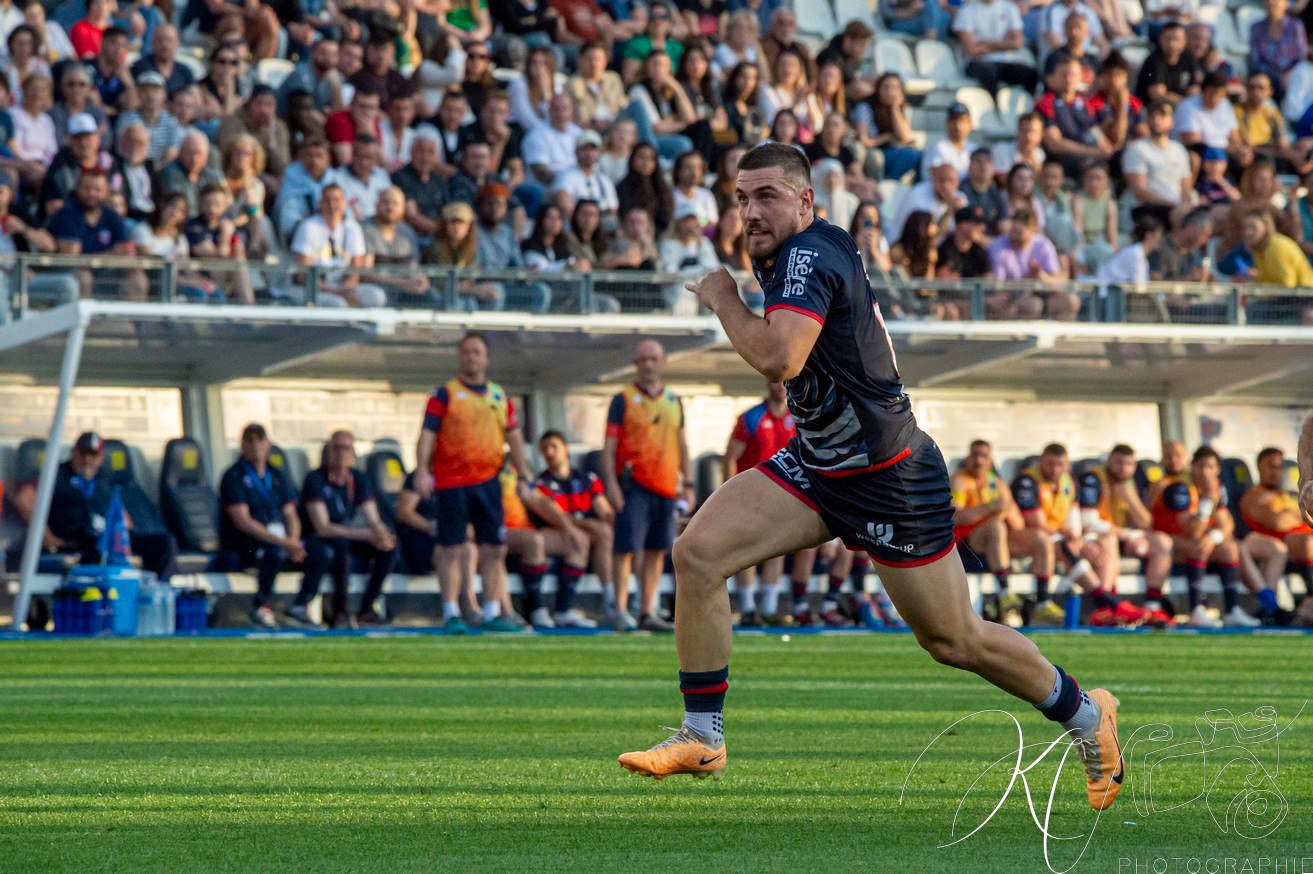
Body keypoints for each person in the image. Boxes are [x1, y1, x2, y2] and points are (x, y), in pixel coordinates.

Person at [620, 144, 1125, 814]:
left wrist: (722, 299)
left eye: (766, 195)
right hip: (822, 463)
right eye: (741, 198)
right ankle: (702, 735)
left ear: (806, 201)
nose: (750, 212)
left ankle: (1088, 716)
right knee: (698, 553)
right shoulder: (787, 248)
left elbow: (779, 357)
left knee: (954, 640)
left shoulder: (806, 254)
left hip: (889, 475)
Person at [414, 332, 536, 634]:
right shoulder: (444, 394)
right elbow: (427, 435)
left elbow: (514, 437)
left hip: (489, 481)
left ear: (486, 358)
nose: (471, 357)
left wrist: (523, 475)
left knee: (494, 548)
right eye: (466, 352)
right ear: (459, 356)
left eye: (477, 352)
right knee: (451, 548)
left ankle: (493, 612)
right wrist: (421, 470)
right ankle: (451, 613)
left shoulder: (499, 396)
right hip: (452, 483)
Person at [602, 339, 694, 632]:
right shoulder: (623, 399)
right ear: (635, 364)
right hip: (633, 486)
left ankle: (646, 610)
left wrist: (688, 483)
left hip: (665, 486)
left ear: (663, 362)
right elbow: (608, 448)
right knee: (625, 548)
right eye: (643, 360)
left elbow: (682, 445)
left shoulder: (674, 400)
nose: (648, 365)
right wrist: (611, 486)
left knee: (657, 549)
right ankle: (619, 609)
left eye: (653, 359)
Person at [1011, 443, 1147, 628]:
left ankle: (1105, 610)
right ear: (1041, 461)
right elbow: (1036, 523)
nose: (1055, 469)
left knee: (1101, 545)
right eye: (1050, 464)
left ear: (1067, 465)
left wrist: (1078, 539)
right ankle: (1106, 602)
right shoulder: (1027, 481)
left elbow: (1073, 518)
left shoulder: (1069, 481)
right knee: (1065, 546)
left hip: (1057, 537)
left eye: (1060, 465)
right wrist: (1077, 542)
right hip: (1030, 537)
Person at [293, 430, 397, 629]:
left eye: (346, 448)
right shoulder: (315, 479)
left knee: (389, 546)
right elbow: (323, 528)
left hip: (346, 535)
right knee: (340, 546)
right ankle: (341, 612)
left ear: (353, 453)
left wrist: (382, 534)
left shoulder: (357, 478)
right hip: (317, 538)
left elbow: (373, 517)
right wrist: (367, 534)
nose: (341, 453)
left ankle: (366, 609)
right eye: (337, 448)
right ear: (328, 451)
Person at [42, 431, 178, 582]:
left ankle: (157, 588)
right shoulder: (57, 475)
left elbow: (119, 511)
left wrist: (125, 532)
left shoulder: (104, 478)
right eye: (83, 453)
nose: (87, 460)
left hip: (108, 537)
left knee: (165, 543)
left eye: (93, 455)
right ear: (73, 452)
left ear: (101, 457)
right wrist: (48, 537)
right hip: (77, 540)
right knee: (96, 548)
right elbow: (29, 500)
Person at [214, 423, 313, 629]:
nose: (255, 445)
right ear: (242, 445)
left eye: (260, 440)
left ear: (268, 444)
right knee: (274, 552)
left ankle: (299, 608)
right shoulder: (233, 476)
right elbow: (243, 521)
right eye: (249, 440)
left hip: (280, 541)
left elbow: (290, 514)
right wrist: (284, 542)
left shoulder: (277, 475)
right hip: (245, 543)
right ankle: (260, 607)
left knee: (322, 552)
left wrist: (293, 541)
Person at [723, 381, 797, 625]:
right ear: (767, 383)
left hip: (783, 495)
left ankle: (768, 608)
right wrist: (730, 494)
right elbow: (730, 458)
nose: (780, 386)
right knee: (747, 549)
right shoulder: (751, 418)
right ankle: (747, 608)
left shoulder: (797, 418)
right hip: (751, 495)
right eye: (776, 381)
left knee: (776, 550)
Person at [1077, 443, 1174, 625]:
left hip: (1121, 536)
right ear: (1109, 461)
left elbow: (1146, 524)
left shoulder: (1132, 483)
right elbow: (1088, 521)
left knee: (1162, 541)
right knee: (1109, 539)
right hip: (1093, 537)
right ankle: (1105, 608)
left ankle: (1153, 606)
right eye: (1118, 462)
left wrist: (1130, 498)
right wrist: (1129, 534)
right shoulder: (1094, 478)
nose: (1123, 468)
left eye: (1129, 464)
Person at [950, 438, 1041, 628]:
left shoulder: (997, 483)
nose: (979, 460)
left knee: (1040, 539)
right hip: (966, 542)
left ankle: (1043, 602)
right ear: (968, 458)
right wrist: (990, 507)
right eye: (974, 455)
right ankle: (1006, 593)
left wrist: (1006, 512)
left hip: (995, 541)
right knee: (995, 527)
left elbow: (1018, 524)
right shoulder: (960, 480)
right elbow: (955, 517)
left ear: (990, 460)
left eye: (984, 456)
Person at [536, 429, 614, 628]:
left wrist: (613, 520)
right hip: (557, 533)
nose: (549, 452)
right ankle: (563, 609)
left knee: (605, 533)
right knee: (581, 539)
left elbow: (604, 509)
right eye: (545, 449)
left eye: (553, 447)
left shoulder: (587, 478)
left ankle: (611, 600)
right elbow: (555, 517)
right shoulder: (542, 483)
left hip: (581, 533)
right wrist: (588, 524)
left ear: (566, 449)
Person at [289, 182, 388, 308]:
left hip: (342, 286)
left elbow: (356, 268)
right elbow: (303, 273)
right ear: (320, 203)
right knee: (337, 304)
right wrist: (334, 292)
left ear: (344, 203)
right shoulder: (308, 227)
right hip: (311, 288)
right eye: (327, 200)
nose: (332, 205)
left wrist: (346, 288)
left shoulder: (352, 228)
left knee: (376, 296)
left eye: (336, 200)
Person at [1122, 100, 1193, 227]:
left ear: (1172, 121)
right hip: (1148, 208)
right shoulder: (1137, 148)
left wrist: (1185, 206)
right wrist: (1173, 205)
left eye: (1162, 115)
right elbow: (1139, 191)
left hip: (1176, 208)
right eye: (1152, 116)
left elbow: (1186, 188)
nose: (1156, 120)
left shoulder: (1179, 150)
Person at [954, 0, 1037, 93]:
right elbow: (971, 50)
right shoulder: (966, 11)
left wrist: (984, 42)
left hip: (1006, 61)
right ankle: (993, 101)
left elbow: (1017, 43)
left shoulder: (1010, 8)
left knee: (1031, 74)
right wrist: (1004, 44)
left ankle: (1029, 101)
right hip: (977, 62)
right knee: (988, 73)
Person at [853, 73, 921, 183]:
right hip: (872, 152)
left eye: (895, 88)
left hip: (892, 151)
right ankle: (888, 184)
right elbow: (863, 140)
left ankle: (894, 184)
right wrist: (886, 137)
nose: (889, 92)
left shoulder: (902, 108)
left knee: (918, 155)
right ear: (878, 89)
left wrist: (894, 108)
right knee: (907, 155)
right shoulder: (865, 107)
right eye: (885, 87)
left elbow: (904, 137)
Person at [1134, 22, 1197, 107]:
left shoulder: (1188, 59)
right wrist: (1187, 104)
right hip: (1152, 110)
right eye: (1167, 39)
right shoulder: (1153, 61)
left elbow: (1195, 87)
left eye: (1176, 39)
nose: (1172, 44)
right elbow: (1157, 94)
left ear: (1184, 41)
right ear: (1160, 39)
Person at [1096, 215, 1164, 286]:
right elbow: (1139, 288)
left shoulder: (1137, 252)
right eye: (1159, 234)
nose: (1161, 239)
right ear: (1148, 235)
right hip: (1106, 290)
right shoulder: (1136, 254)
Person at [936, 205, 991, 279]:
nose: (982, 228)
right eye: (976, 223)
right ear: (962, 224)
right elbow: (943, 281)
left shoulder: (979, 251)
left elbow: (988, 279)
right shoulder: (944, 250)